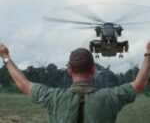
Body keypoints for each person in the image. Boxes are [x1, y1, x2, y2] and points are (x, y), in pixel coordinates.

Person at [0, 41, 150, 123]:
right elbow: (138, 85)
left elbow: (23, 84)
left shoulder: (54, 97)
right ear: (93, 69)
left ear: (69, 70)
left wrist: (5, 56)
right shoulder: (110, 97)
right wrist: (148, 54)